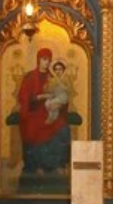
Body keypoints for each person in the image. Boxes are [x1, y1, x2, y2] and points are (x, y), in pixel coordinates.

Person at [16, 47, 72, 175]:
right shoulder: (30, 77)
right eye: (44, 59)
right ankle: (37, 165)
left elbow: (62, 94)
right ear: (39, 60)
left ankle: (57, 164)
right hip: (34, 111)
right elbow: (24, 98)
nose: (47, 62)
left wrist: (59, 105)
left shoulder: (52, 77)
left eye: (49, 60)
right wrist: (41, 97)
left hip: (50, 110)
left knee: (63, 128)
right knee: (33, 127)